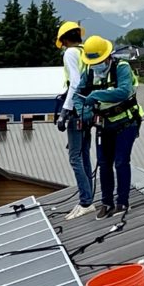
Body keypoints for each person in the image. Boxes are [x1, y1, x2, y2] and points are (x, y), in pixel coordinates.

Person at [75, 35, 142, 219]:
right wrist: (84, 111)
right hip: (104, 125)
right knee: (104, 164)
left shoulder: (121, 68)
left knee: (121, 161)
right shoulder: (89, 72)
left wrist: (97, 95)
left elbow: (123, 91)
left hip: (125, 122)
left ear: (107, 56)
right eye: (93, 61)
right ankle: (106, 202)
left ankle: (122, 202)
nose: (96, 65)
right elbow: (78, 94)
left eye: (99, 61)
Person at [55, 21, 95, 220]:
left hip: (76, 110)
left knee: (75, 157)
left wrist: (64, 111)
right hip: (87, 109)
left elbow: (75, 83)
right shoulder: (85, 51)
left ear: (65, 40)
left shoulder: (70, 53)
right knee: (84, 154)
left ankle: (86, 201)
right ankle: (88, 198)